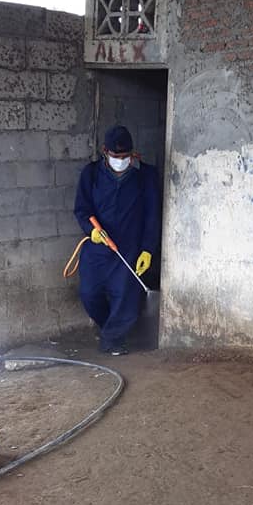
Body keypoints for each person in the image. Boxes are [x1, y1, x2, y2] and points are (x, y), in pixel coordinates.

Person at [74, 125, 160, 355]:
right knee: (89, 294)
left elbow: (152, 215)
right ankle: (110, 330)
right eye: (116, 156)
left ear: (132, 153)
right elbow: (82, 209)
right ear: (105, 151)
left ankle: (114, 340)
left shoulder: (145, 176)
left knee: (125, 297)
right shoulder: (91, 174)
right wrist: (91, 231)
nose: (121, 161)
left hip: (129, 247)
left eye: (125, 156)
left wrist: (147, 249)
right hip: (98, 247)